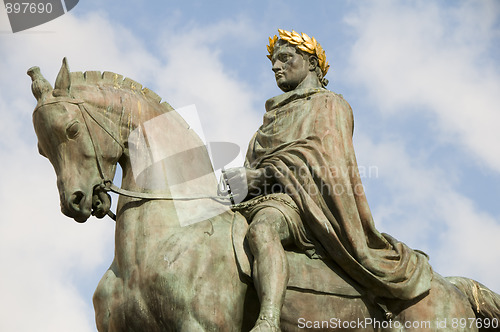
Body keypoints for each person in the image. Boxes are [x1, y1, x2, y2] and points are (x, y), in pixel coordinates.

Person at [223, 29, 433, 332]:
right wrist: (237, 183)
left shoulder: (330, 104)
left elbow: (324, 159)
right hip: (260, 200)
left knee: (263, 228)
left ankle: (268, 320)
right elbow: (253, 168)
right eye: (273, 63)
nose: (276, 67)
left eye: (285, 58)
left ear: (311, 62)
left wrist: (263, 175)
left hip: (302, 205)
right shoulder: (269, 119)